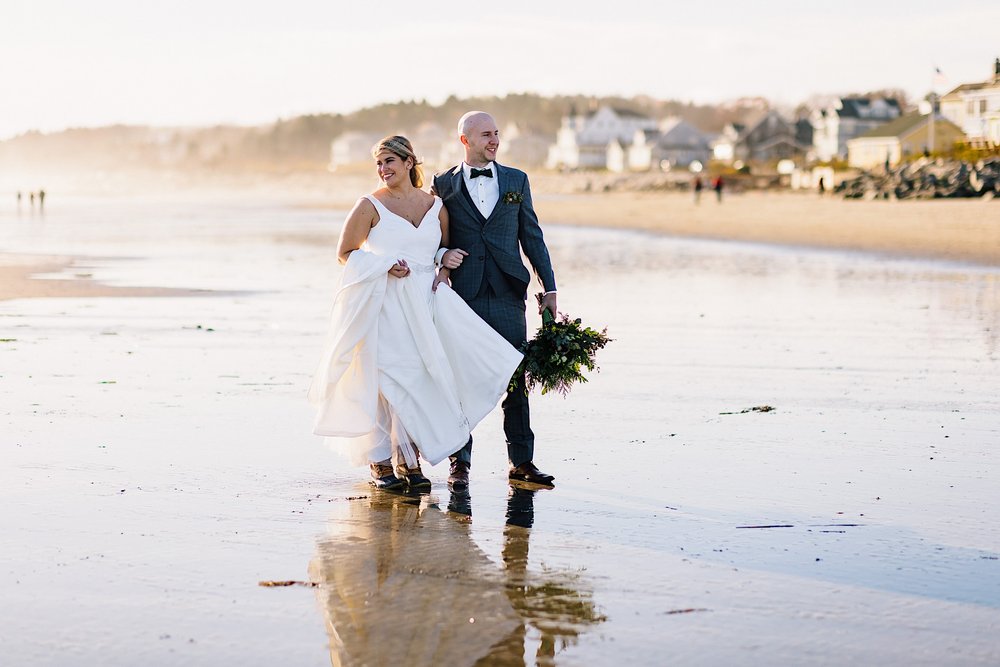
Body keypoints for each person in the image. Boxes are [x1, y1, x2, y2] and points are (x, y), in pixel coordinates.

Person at [309, 135, 522, 492]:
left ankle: (409, 459)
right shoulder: (368, 206)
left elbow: (438, 249)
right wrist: (385, 266)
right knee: (386, 380)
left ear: (409, 163)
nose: (383, 170)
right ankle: (381, 462)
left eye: (389, 161)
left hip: (424, 304)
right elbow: (345, 253)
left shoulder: (436, 206)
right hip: (383, 304)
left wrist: (444, 260)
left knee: (420, 377)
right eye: (378, 164)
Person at [432, 112, 558, 490]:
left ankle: (522, 462)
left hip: (508, 291)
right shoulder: (443, 185)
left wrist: (548, 287)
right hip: (464, 295)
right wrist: (442, 257)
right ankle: (460, 463)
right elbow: (430, 236)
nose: (495, 140)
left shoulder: (517, 180)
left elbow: (532, 236)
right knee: (459, 381)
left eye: (497, 134)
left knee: (515, 378)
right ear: (465, 140)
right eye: (487, 134)